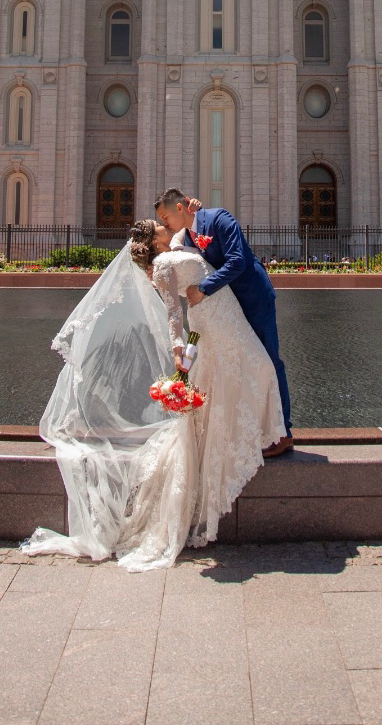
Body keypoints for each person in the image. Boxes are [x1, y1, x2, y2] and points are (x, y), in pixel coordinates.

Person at [21, 219, 285, 571]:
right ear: (154, 241)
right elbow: (173, 312)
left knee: (244, 372)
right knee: (256, 368)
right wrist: (178, 348)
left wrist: (194, 212)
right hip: (211, 319)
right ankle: (248, 436)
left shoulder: (175, 247)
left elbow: (192, 231)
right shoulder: (162, 265)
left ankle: (243, 433)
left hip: (221, 313)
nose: (166, 224)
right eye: (159, 225)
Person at [154, 188, 293, 456]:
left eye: (165, 216)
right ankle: (257, 428)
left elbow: (237, 261)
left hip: (252, 298)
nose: (164, 223)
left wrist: (203, 288)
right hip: (227, 307)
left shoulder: (220, 219)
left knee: (269, 361)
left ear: (179, 208)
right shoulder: (187, 234)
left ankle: (283, 433)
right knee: (245, 364)